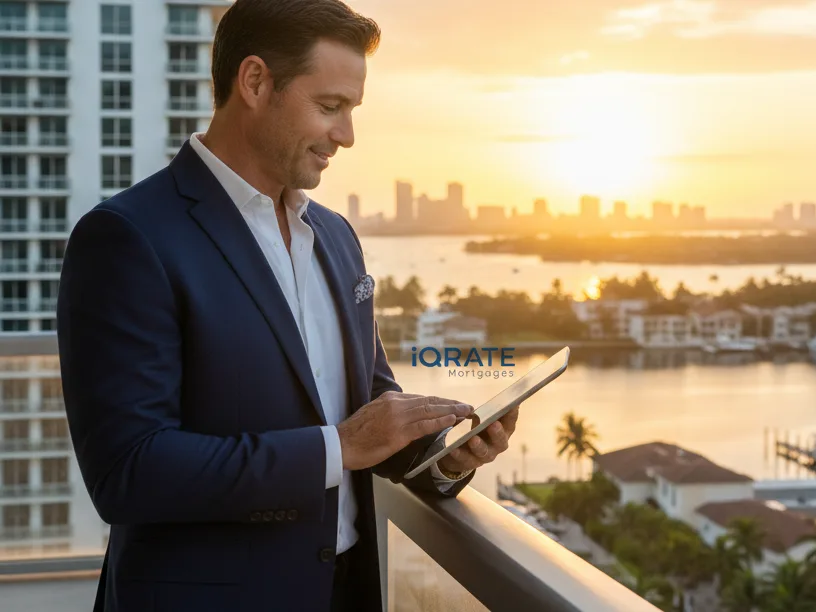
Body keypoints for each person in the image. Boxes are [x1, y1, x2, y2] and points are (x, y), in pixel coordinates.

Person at [56, 1, 518, 610]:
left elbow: (370, 407)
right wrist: (339, 447)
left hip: (346, 591)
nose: (347, 136)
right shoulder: (127, 237)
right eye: (330, 107)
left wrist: (442, 455)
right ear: (254, 82)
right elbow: (129, 472)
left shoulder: (335, 236)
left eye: (351, 111)